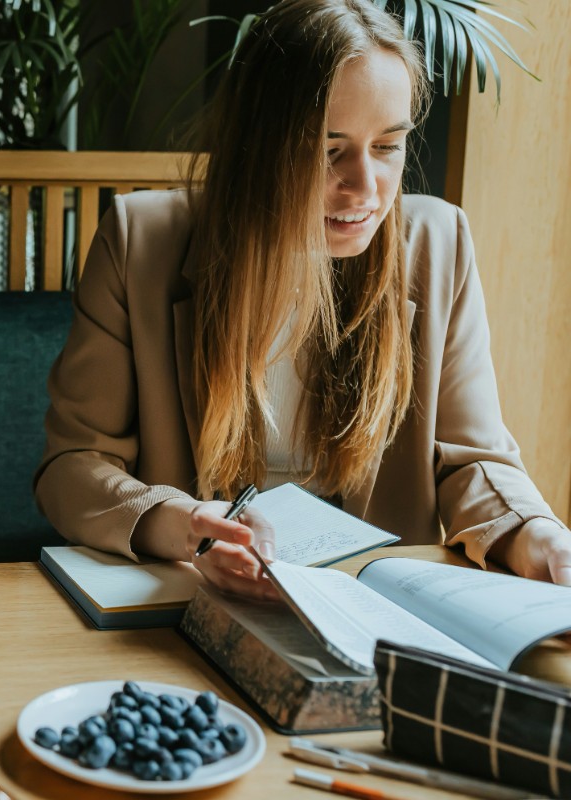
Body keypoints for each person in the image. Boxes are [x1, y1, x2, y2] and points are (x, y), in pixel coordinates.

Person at [35, 0, 571, 599]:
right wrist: (188, 527)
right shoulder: (141, 242)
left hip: (370, 604)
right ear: (255, 147)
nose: (365, 188)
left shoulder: (438, 244)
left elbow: (472, 461)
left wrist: (538, 534)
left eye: (387, 146)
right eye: (326, 149)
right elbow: (73, 468)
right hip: (193, 597)